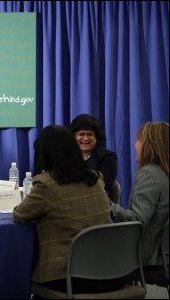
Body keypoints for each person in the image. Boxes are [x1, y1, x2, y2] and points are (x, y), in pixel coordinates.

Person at [13, 125, 124, 294]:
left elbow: (20, 215)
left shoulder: (46, 184)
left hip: (68, 276)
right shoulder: (96, 178)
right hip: (112, 271)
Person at [111, 122, 169, 266]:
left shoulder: (149, 174)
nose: (135, 145)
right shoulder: (163, 174)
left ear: (149, 144)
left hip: (144, 255)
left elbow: (137, 219)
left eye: (138, 140)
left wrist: (108, 206)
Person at [69, 114, 119, 202]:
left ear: (97, 137)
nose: (85, 138)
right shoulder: (67, 157)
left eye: (90, 134)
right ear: (74, 136)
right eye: (81, 134)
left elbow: (105, 188)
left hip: (97, 204)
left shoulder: (107, 157)